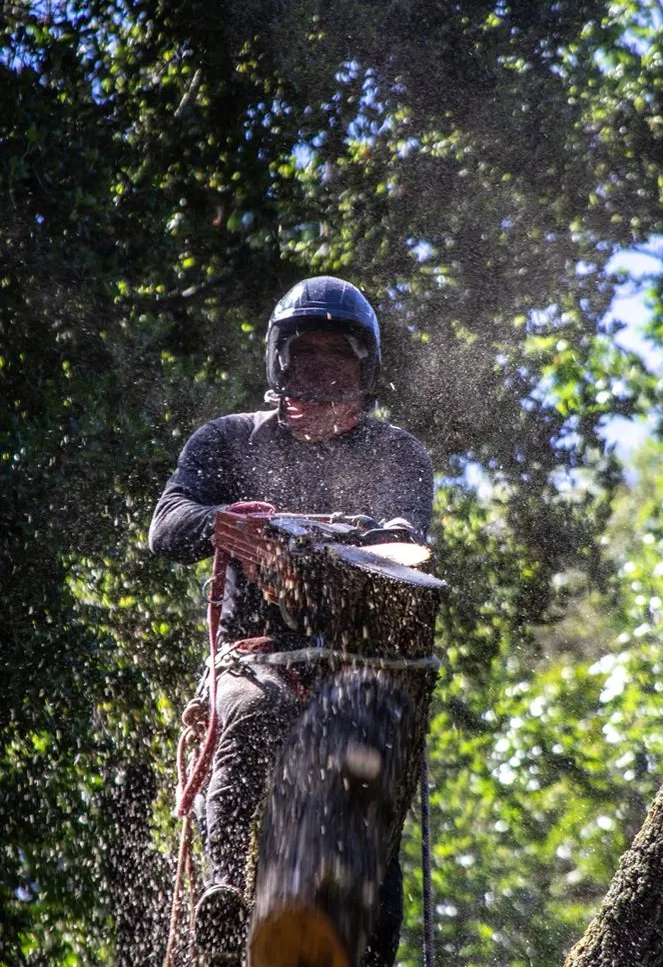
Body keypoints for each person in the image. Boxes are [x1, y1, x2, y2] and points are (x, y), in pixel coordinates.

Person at [149, 275, 433, 966]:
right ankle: (222, 891)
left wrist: (331, 542)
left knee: (371, 800)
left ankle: (367, 942)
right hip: (256, 656)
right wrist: (223, 524)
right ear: (280, 363)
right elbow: (166, 524)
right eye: (305, 357)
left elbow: (405, 541)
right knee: (248, 712)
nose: (320, 371)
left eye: (336, 357)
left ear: (364, 368)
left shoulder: (397, 455)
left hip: (360, 667)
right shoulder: (227, 441)